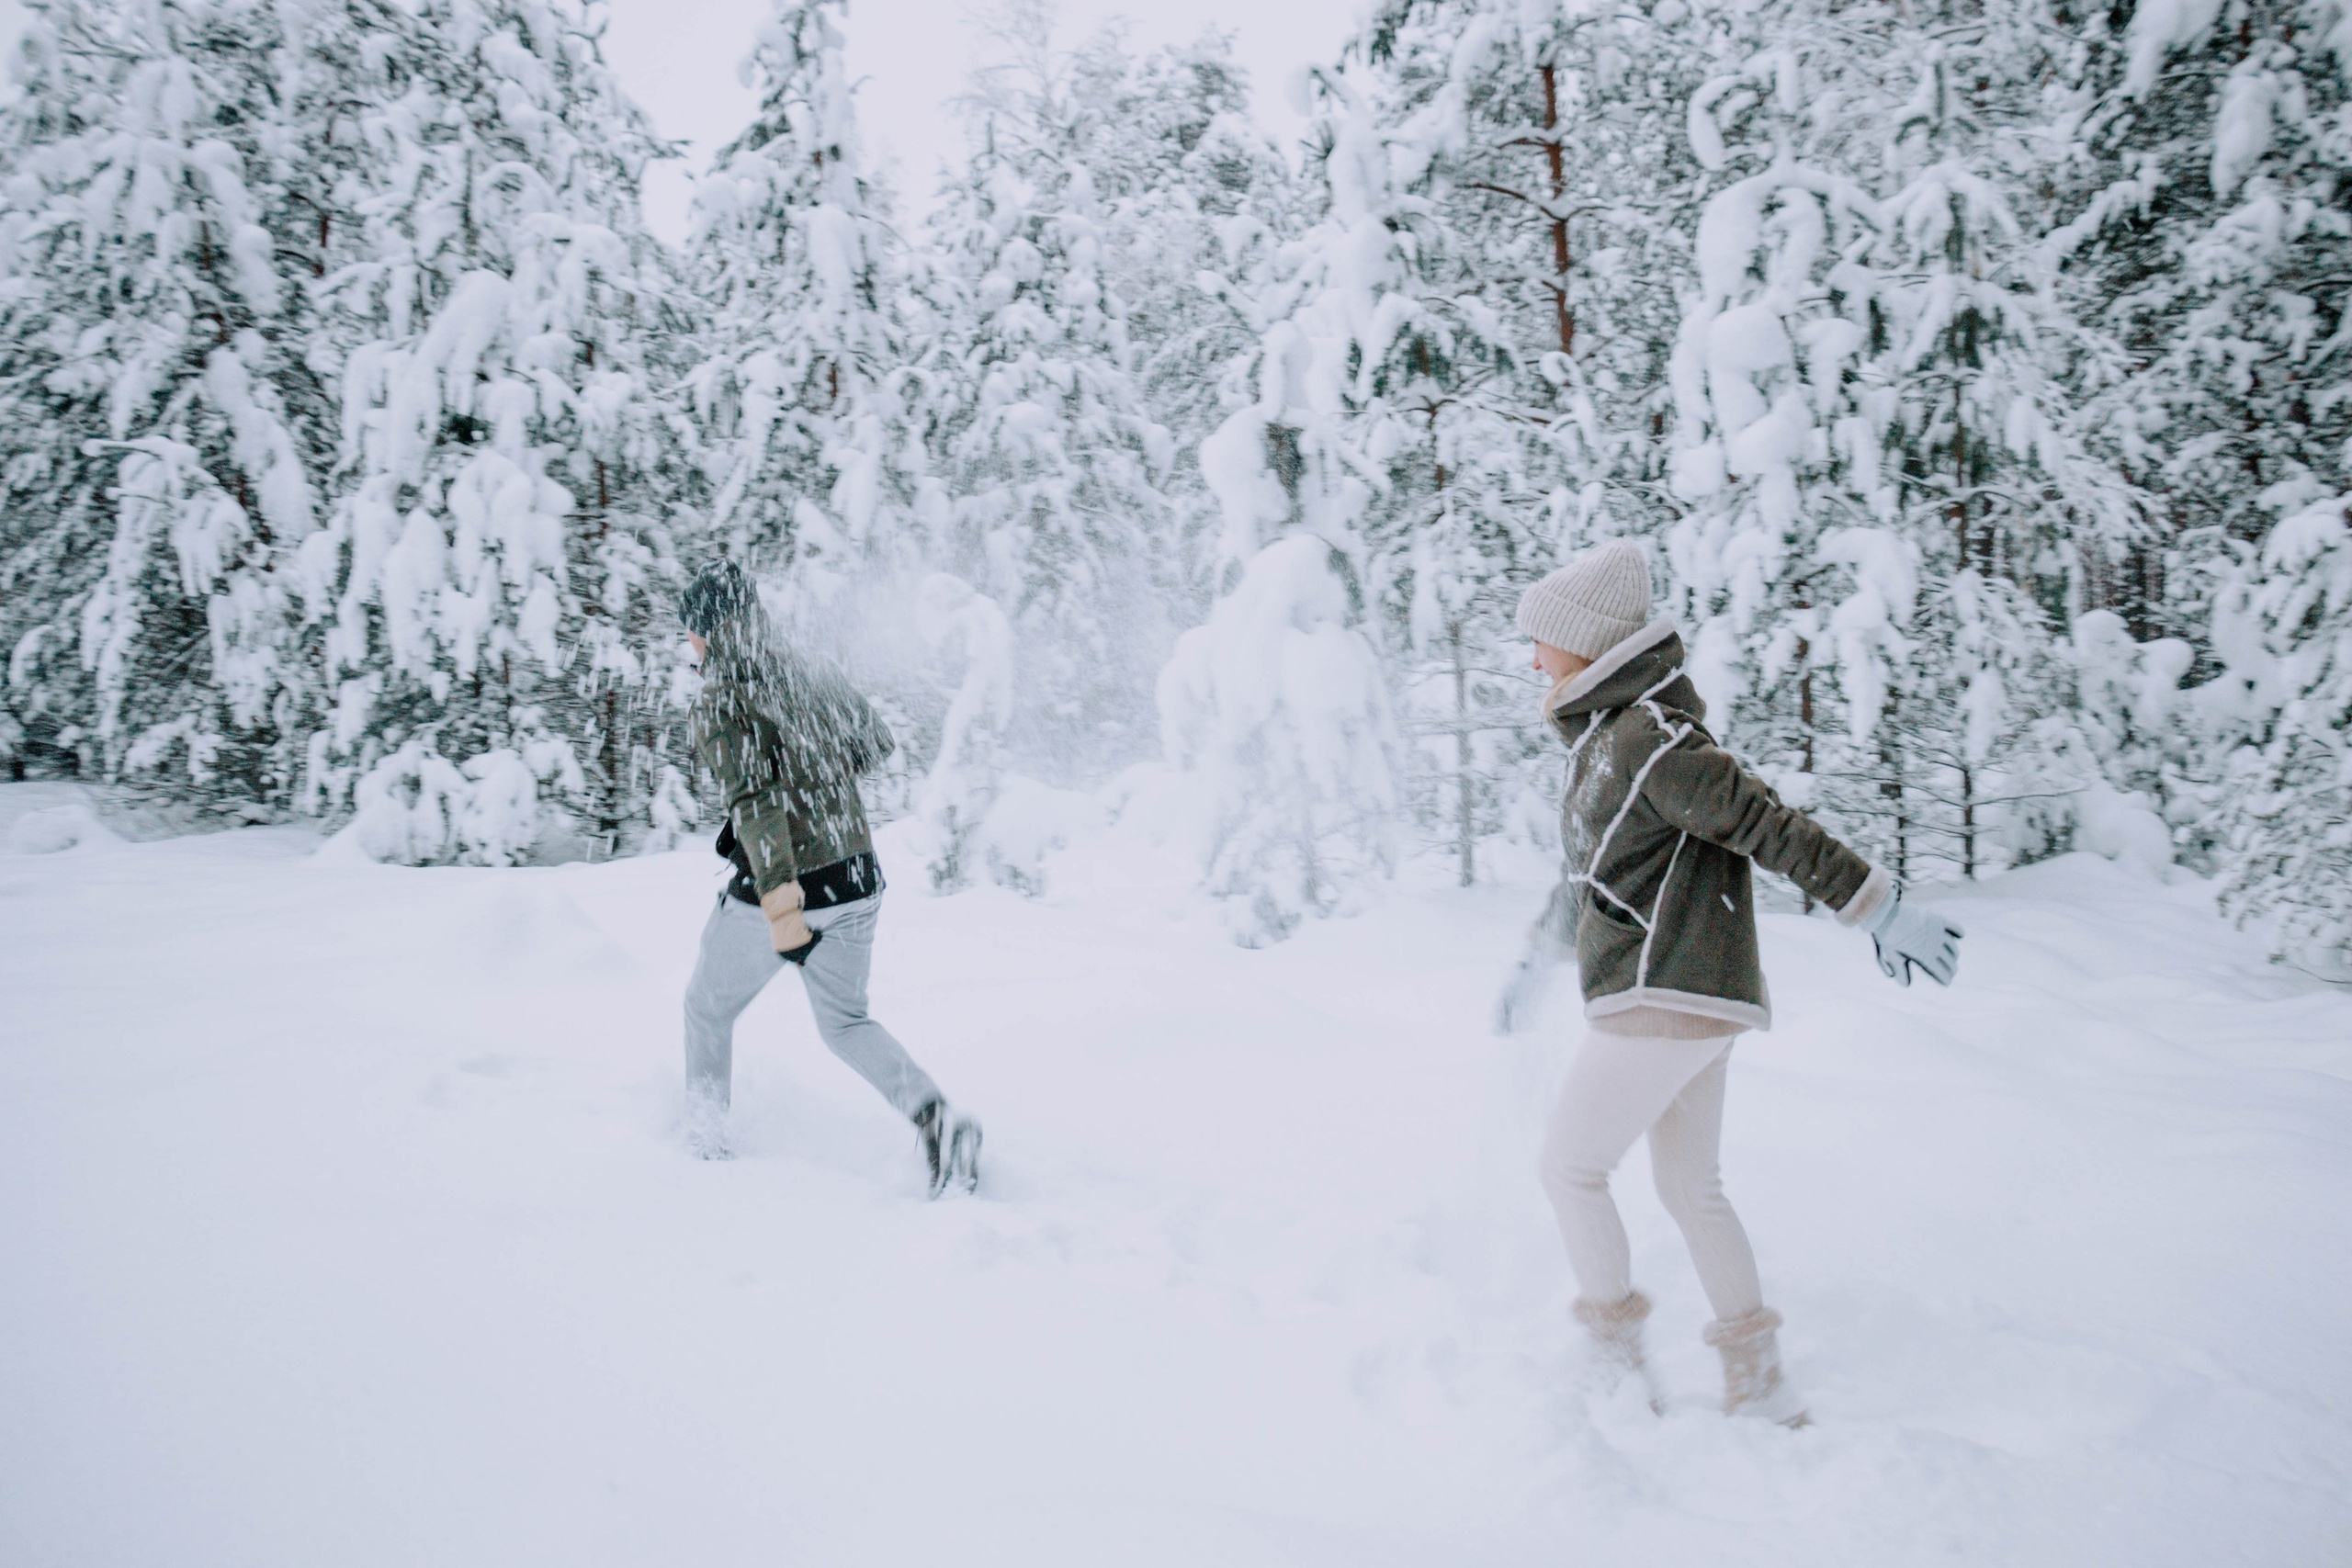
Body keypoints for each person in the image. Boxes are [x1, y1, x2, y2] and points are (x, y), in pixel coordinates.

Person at [1496, 539, 1963, 1426]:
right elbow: (1592, 875)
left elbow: (1766, 823)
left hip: (1661, 994)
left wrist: (1876, 907)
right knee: (1690, 1189)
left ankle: (1616, 1371)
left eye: (1542, 641)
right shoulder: (1610, 740)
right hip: (1684, 994)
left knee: (1569, 1168)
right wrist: (1534, 955)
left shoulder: (1650, 738)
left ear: (1588, 648)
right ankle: (1760, 1384)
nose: (1531, 659)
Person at [676, 559, 981, 1195]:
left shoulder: (720, 698)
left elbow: (756, 804)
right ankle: (936, 1119)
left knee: (707, 1008)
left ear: (706, 630)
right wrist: (814, 777)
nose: (689, 645)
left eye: (691, 631)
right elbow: (874, 742)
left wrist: (783, 909)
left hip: (789, 885)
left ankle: (702, 1151)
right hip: (857, 875)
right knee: (845, 1022)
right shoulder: (805, 667)